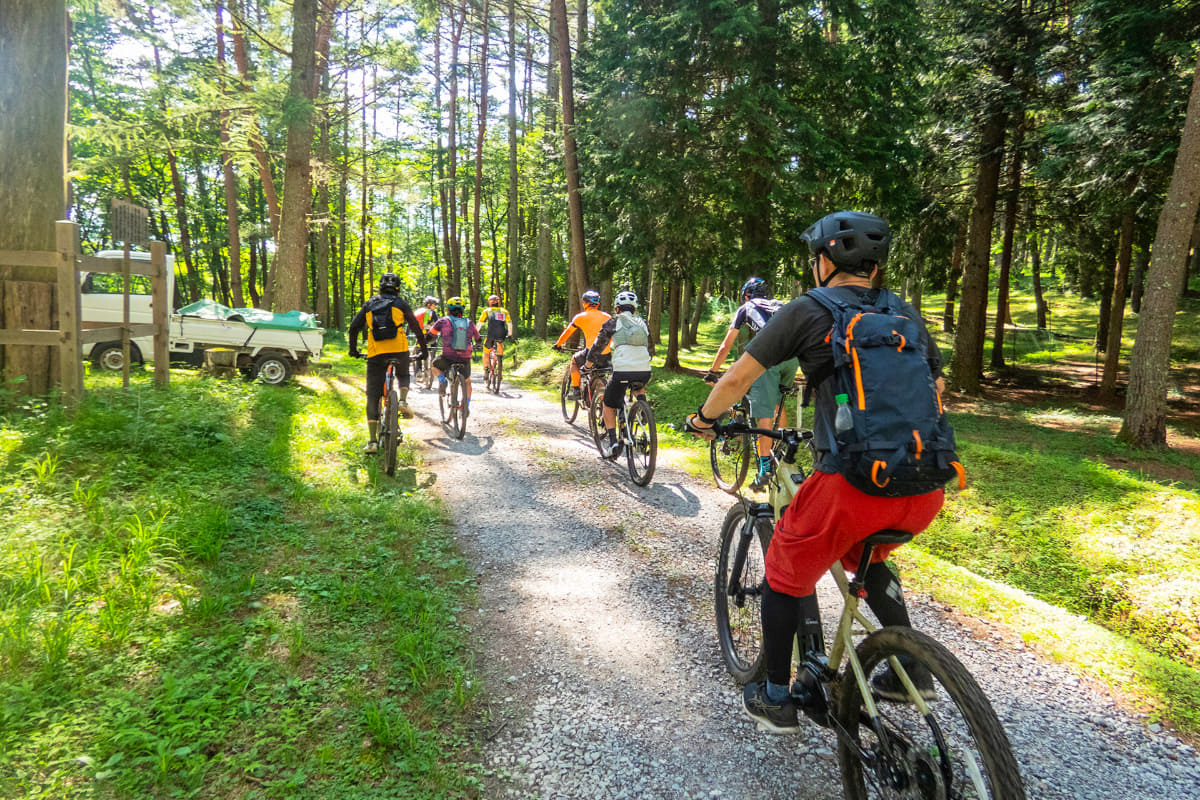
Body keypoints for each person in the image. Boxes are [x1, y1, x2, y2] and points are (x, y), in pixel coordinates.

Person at [686, 211, 947, 733]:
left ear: (825, 260)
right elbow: (937, 392)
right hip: (925, 486)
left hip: (851, 483)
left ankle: (775, 696)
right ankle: (911, 671)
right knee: (865, 554)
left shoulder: (810, 308)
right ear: (873, 266)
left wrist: (705, 420)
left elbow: (740, 376)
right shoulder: (905, 313)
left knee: (784, 567)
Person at [704, 277, 799, 489]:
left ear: (746, 295)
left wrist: (712, 371)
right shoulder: (780, 305)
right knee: (777, 404)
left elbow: (726, 345)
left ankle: (765, 469)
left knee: (763, 414)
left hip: (770, 357)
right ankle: (779, 454)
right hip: (792, 359)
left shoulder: (747, 306)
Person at [348, 273, 427, 453]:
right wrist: (423, 351)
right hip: (399, 349)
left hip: (376, 353)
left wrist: (353, 350)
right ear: (398, 288)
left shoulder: (370, 304)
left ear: (380, 287)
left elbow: (354, 328)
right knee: (404, 373)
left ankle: (372, 442)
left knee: (373, 395)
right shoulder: (401, 304)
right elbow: (416, 327)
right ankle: (403, 401)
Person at [587, 290, 654, 459]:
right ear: (634, 309)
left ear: (617, 309)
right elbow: (650, 349)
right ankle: (643, 416)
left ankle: (613, 443)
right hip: (644, 370)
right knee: (638, 387)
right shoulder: (643, 323)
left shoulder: (613, 323)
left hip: (622, 370)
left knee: (608, 404)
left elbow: (598, 346)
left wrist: (588, 365)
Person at [553, 290, 612, 398]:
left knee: (574, 362)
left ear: (584, 303)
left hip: (591, 353)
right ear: (597, 304)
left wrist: (558, 344)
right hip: (606, 355)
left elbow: (568, 332)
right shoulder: (608, 317)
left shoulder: (580, 317)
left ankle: (576, 391)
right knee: (600, 375)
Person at [429, 296, 482, 411]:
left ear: (449, 309)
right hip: (465, 358)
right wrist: (478, 345)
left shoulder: (443, 321)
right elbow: (478, 338)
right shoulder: (470, 323)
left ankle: (442, 379)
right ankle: (466, 406)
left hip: (448, 356)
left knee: (433, 365)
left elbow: (430, 335)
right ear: (463, 309)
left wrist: (423, 344)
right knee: (467, 381)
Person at [478, 294, 514, 377]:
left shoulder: (487, 311)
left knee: (486, 352)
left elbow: (480, 323)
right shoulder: (504, 311)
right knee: (500, 343)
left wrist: (476, 334)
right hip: (501, 334)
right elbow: (509, 324)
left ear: (490, 303)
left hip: (491, 334)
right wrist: (510, 334)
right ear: (498, 302)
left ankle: (486, 370)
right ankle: (500, 360)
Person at [412, 295, 440, 378]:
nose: (435, 306)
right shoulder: (432, 313)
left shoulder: (418, 312)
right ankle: (433, 362)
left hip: (420, 336)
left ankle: (419, 370)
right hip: (431, 337)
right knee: (434, 347)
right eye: (434, 304)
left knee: (418, 351)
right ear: (429, 305)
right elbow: (438, 324)